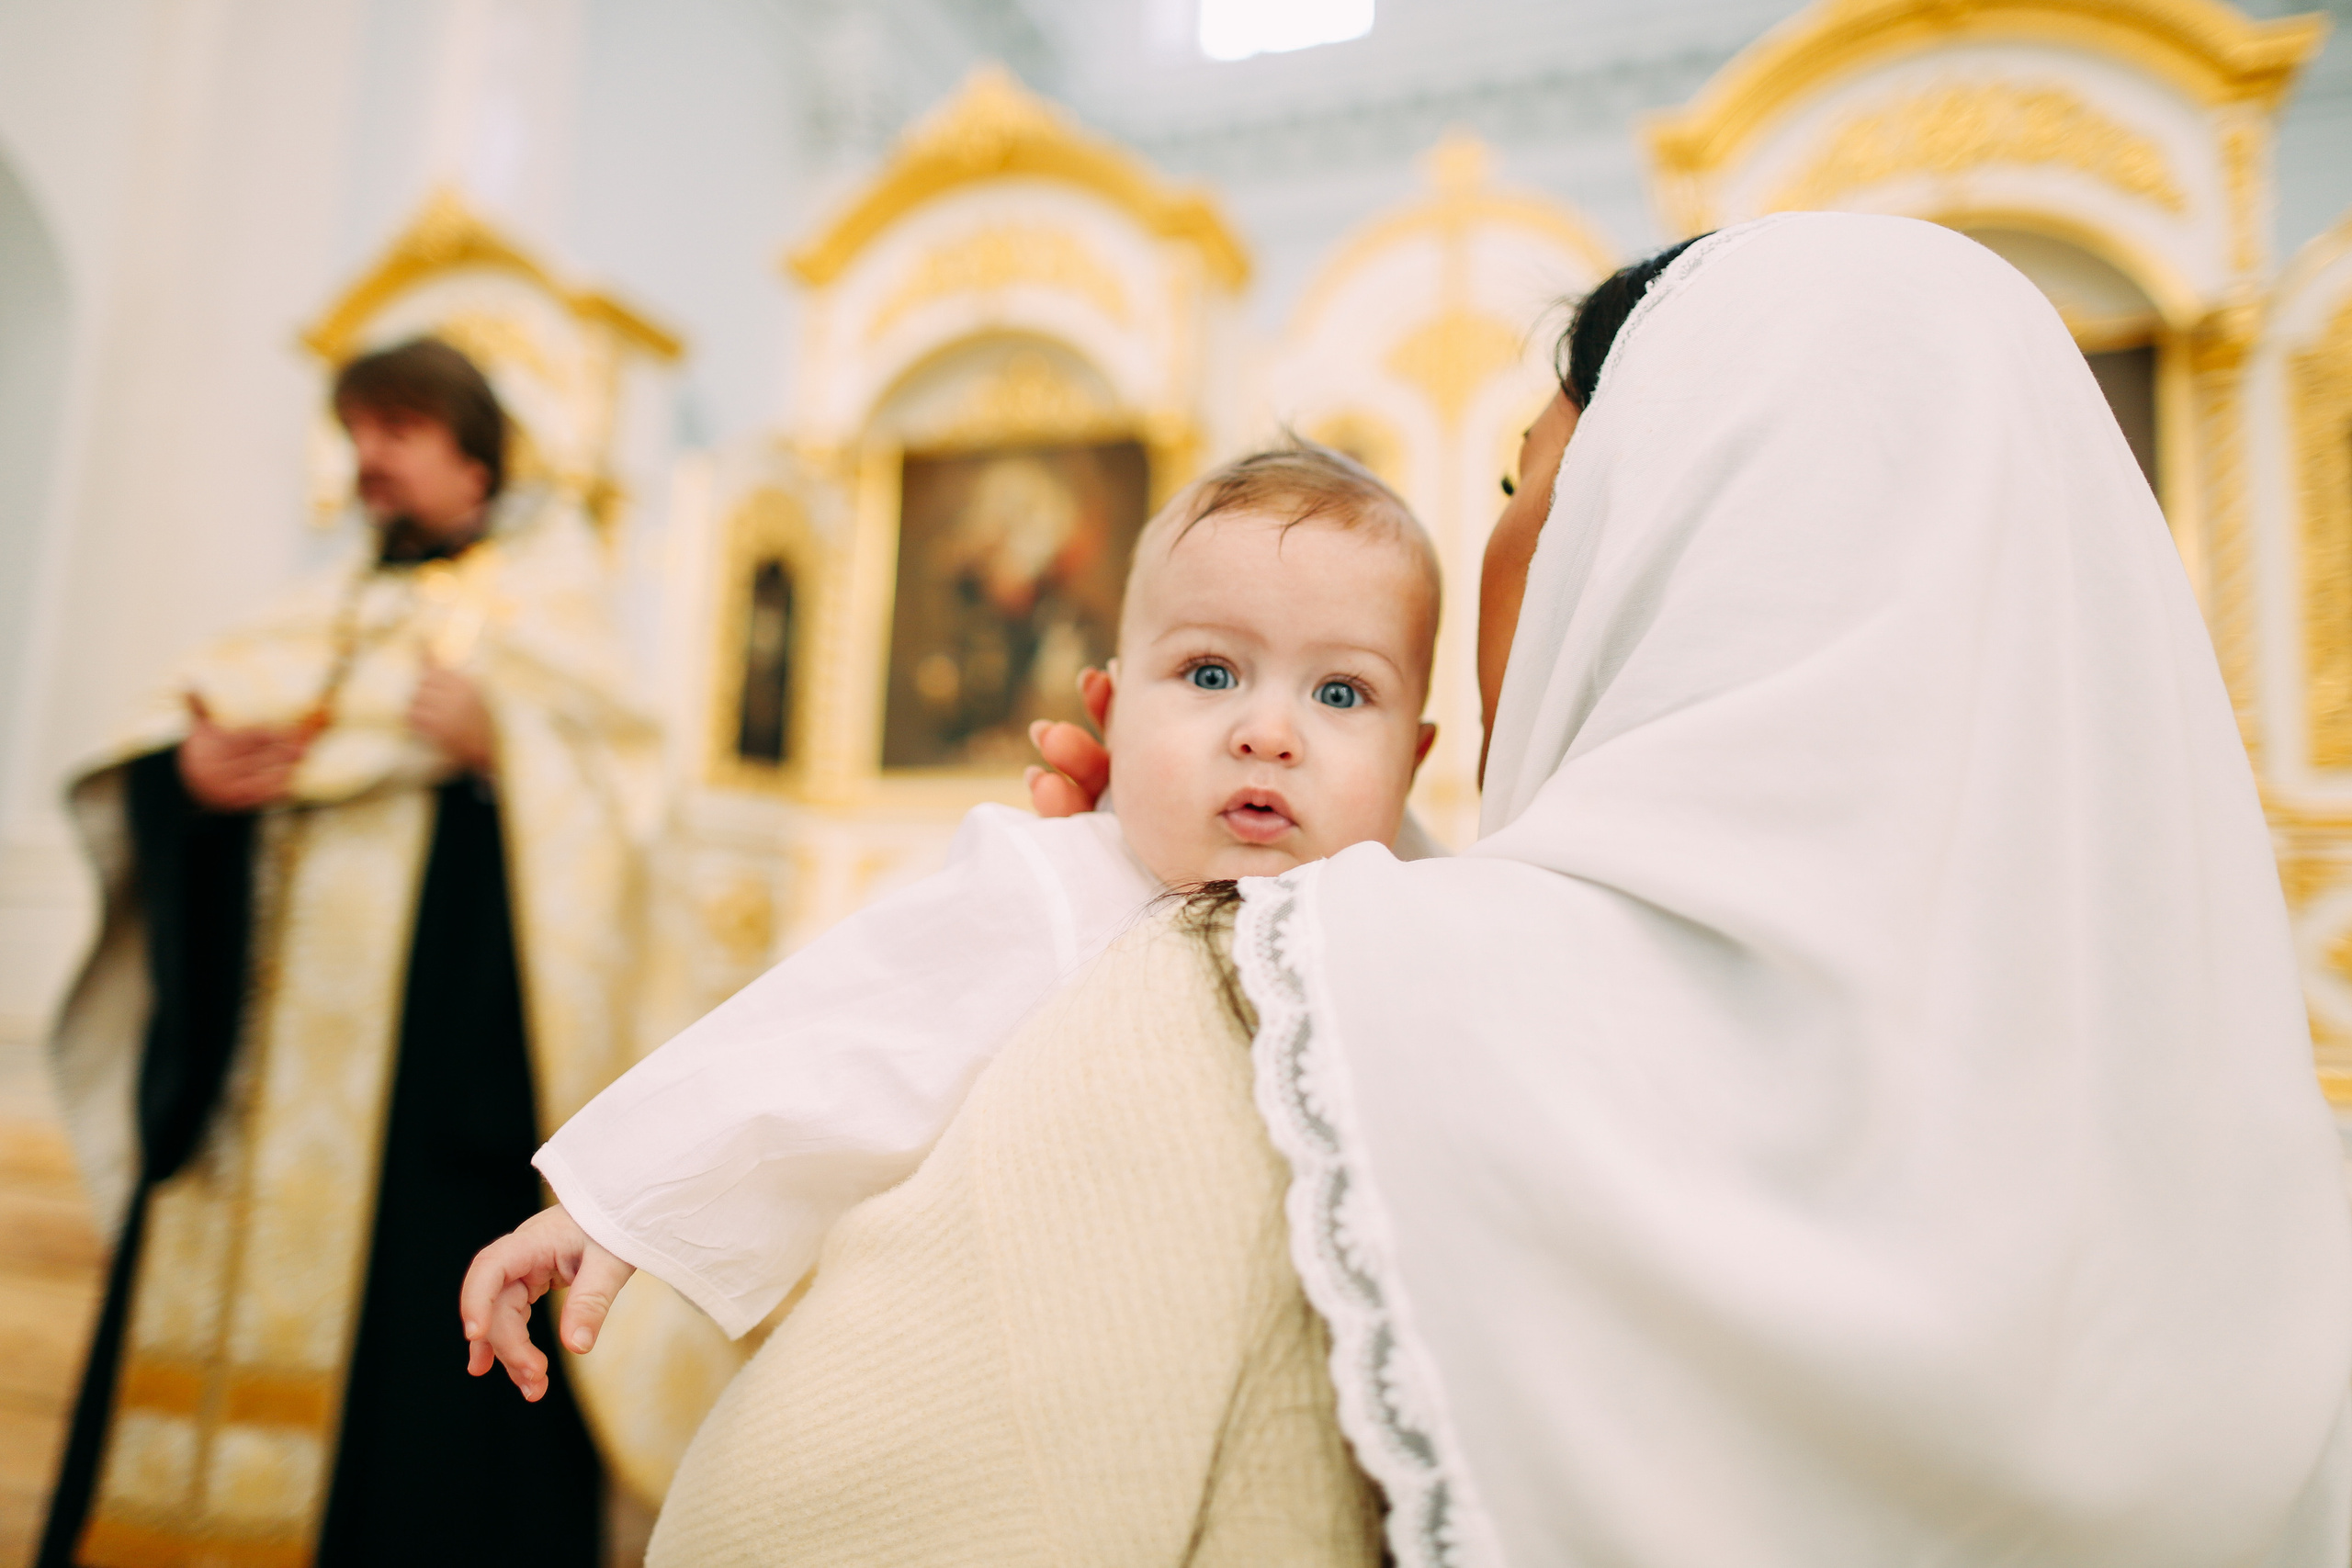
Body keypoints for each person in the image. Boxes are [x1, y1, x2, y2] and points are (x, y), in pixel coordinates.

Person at [1040, 212, 2352, 1565]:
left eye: (1530, 485)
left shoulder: (1267, 1036)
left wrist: (1123, 912)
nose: (1507, 545)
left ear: (1673, 533)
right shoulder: (2271, 1193)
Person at [461, 443, 1442, 1389]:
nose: (1268, 734)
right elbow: (841, 1039)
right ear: (1108, 711)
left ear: (1412, 760)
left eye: (1341, 691)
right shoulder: (1064, 884)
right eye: (1212, 674)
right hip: (1087, 1360)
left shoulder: (1420, 917)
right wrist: (618, 1206)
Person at [40, 338, 658, 1567]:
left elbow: (628, 817)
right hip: (246, 1087)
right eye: (359, 430)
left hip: (430, 1105)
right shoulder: (303, 615)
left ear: (475, 457)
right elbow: (167, 749)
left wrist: (505, 750)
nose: (369, 456)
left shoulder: (547, 615)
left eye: (400, 430)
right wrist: (186, 780)